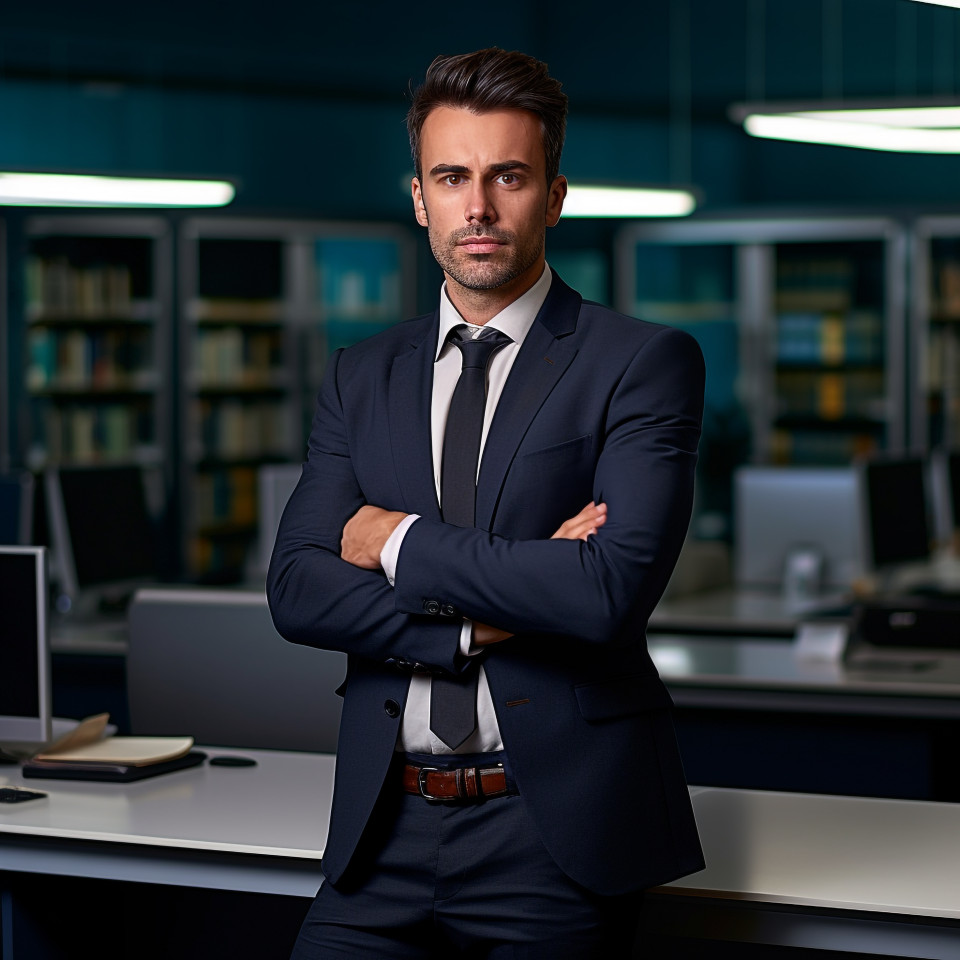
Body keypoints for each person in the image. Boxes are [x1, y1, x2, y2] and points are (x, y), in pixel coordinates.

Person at [267, 46, 705, 958]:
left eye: (508, 176)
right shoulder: (360, 375)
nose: (478, 206)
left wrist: (394, 540)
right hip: (381, 827)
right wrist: (482, 622)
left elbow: (605, 591)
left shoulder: (639, 362)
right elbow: (298, 590)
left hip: (554, 835)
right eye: (451, 177)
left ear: (553, 196)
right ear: (419, 198)